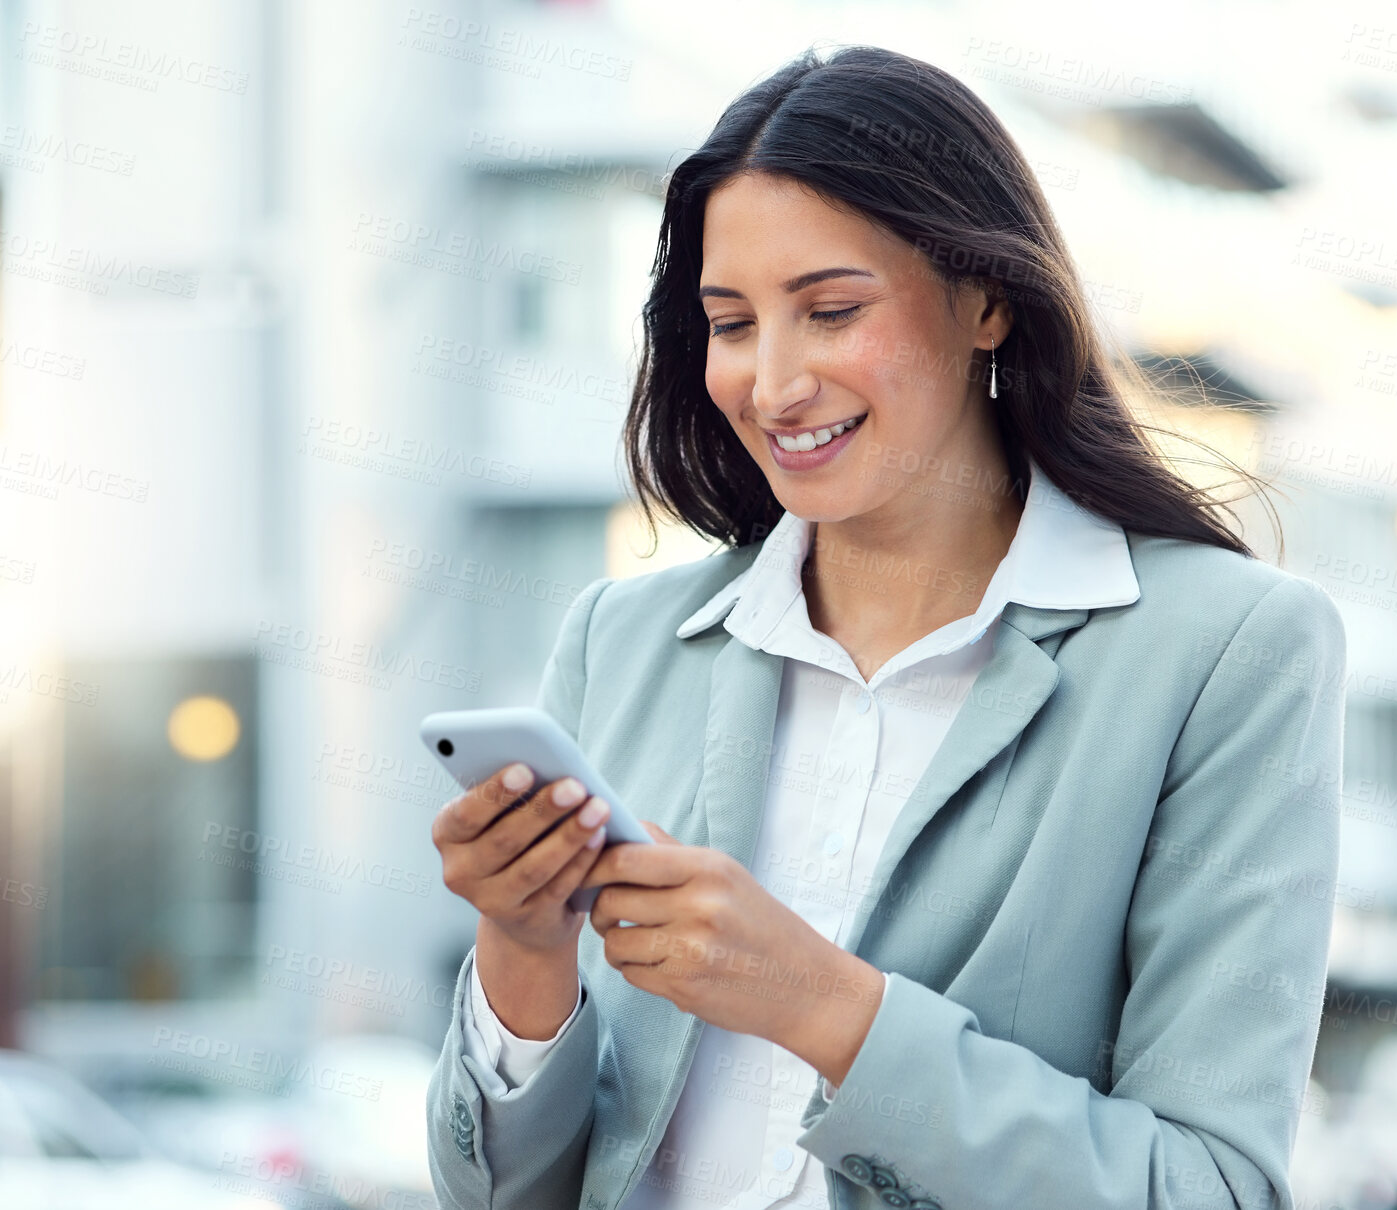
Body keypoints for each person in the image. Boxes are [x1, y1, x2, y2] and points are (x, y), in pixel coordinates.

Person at [426, 43, 1346, 1210]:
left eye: (830, 310)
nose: (771, 383)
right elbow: (497, 1195)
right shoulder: (622, 641)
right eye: (733, 322)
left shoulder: (1227, 653)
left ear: (987, 299)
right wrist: (522, 949)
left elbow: (1207, 1189)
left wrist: (822, 1006)